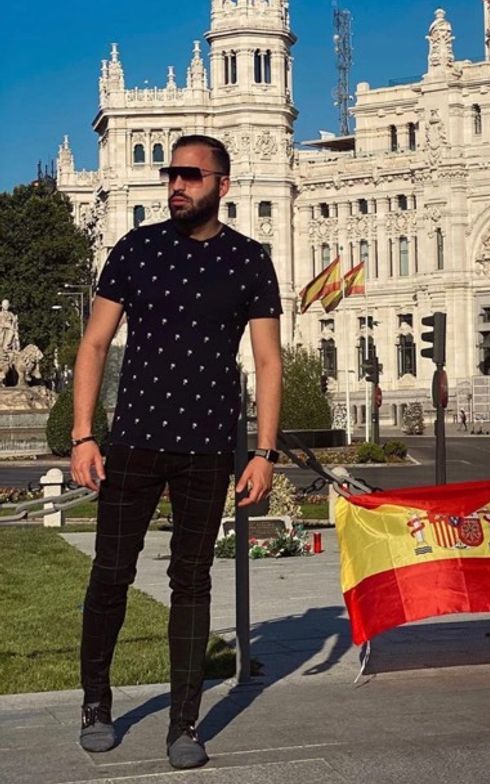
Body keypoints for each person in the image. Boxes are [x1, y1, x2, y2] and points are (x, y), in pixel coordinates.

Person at [70, 134, 282, 770]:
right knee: (111, 573)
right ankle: (95, 703)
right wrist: (83, 434)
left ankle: (184, 723)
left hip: (207, 449)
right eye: (172, 174)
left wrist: (264, 451)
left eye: (191, 174)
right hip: (133, 440)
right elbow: (95, 344)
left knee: (192, 581)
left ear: (223, 184)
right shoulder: (135, 248)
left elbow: (268, 362)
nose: (177, 185)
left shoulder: (250, 260)